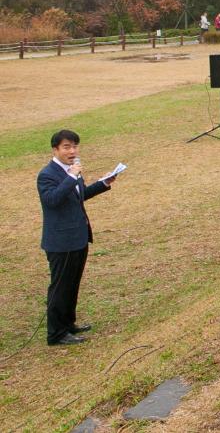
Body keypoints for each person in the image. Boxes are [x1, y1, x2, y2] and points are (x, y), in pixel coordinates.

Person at [38, 129, 121, 346]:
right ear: (55, 149)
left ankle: (68, 324)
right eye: (66, 147)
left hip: (79, 237)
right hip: (60, 242)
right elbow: (53, 200)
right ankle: (55, 334)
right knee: (60, 286)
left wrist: (104, 183)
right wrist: (71, 176)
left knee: (72, 284)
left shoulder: (73, 171)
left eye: (74, 146)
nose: (72, 151)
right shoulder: (47, 175)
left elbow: (79, 195)